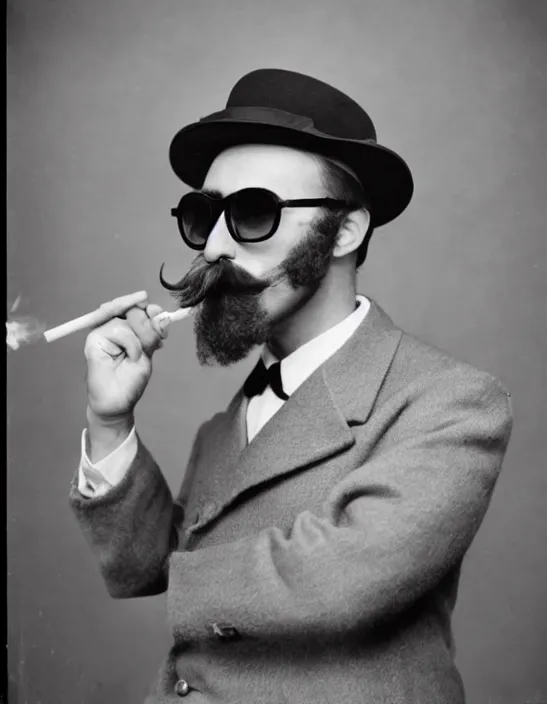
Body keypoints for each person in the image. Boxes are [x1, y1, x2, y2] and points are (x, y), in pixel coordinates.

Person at [70, 69, 513, 704]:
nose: (217, 246)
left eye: (253, 212)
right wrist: (109, 421)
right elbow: (142, 570)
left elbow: (344, 578)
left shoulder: (451, 402)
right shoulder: (223, 427)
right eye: (204, 215)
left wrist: (181, 570)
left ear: (348, 230)